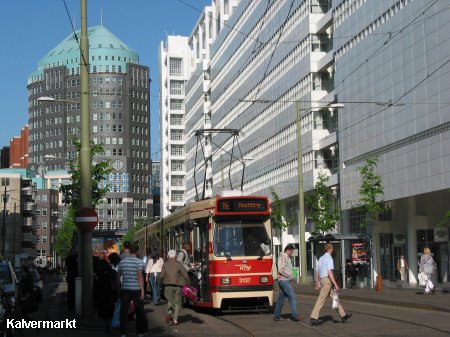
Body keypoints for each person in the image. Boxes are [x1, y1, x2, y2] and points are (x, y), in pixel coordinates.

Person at [310, 243, 352, 326]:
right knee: (321, 299)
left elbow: (317, 272)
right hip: (327, 281)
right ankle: (313, 318)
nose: (332, 250)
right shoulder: (329, 258)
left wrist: (317, 283)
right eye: (332, 249)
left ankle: (343, 315)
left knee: (334, 298)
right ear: (330, 249)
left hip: (322, 280)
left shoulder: (321, 258)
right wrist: (335, 284)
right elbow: (329, 272)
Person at [117, 242, 148, 337]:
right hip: (136, 290)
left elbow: (118, 277)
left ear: (129, 250)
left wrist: (119, 289)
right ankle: (140, 332)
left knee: (124, 311)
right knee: (139, 311)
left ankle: (123, 333)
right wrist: (142, 291)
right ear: (137, 252)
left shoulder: (122, 262)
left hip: (125, 289)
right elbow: (140, 277)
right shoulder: (139, 262)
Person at [158, 249, 190, 326]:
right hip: (178, 286)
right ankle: (175, 320)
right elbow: (185, 275)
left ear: (168, 256)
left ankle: (169, 312)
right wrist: (188, 284)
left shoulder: (165, 265)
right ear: (175, 256)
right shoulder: (179, 264)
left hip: (167, 285)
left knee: (170, 300)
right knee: (177, 302)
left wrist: (160, 283)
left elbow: (161, 276)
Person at [273, 244, 304, 322]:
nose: (292, 253)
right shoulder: (283, 258)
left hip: (284, 280)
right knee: (292, 297)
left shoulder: (286, 258)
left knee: (280, 299)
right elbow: (281, 269)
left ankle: (276, 316)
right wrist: (289, 275)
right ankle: (295, 315)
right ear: (288, 250)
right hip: (284, 280)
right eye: (292, 252)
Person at [96, 259, 118, 333]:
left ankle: (108, 325)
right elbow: (117, 282)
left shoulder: (100, 274)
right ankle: (109, 325)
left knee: (103, 312)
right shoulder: (113, 272)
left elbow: (97, 285)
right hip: (112, 295)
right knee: (110, 311)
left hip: (103, 295)